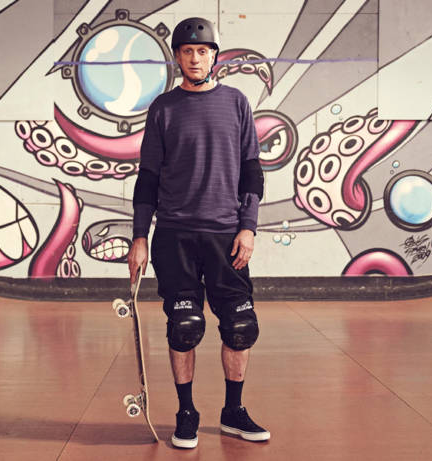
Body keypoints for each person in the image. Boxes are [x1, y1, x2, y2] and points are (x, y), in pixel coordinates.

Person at [127, 17, 269, 449]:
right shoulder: (163, 108)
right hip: (175, 235)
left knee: (240, 326)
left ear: (214, 57)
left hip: (226, 235)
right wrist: (139, 237)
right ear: (177, 57)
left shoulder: (236, 102)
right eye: (187, 51)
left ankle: (233, 412)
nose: (195, 58)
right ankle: (186, 413)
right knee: (184, 326)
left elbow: (252, 172)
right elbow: (148, 178)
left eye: (202, 51)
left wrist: (248, 227)